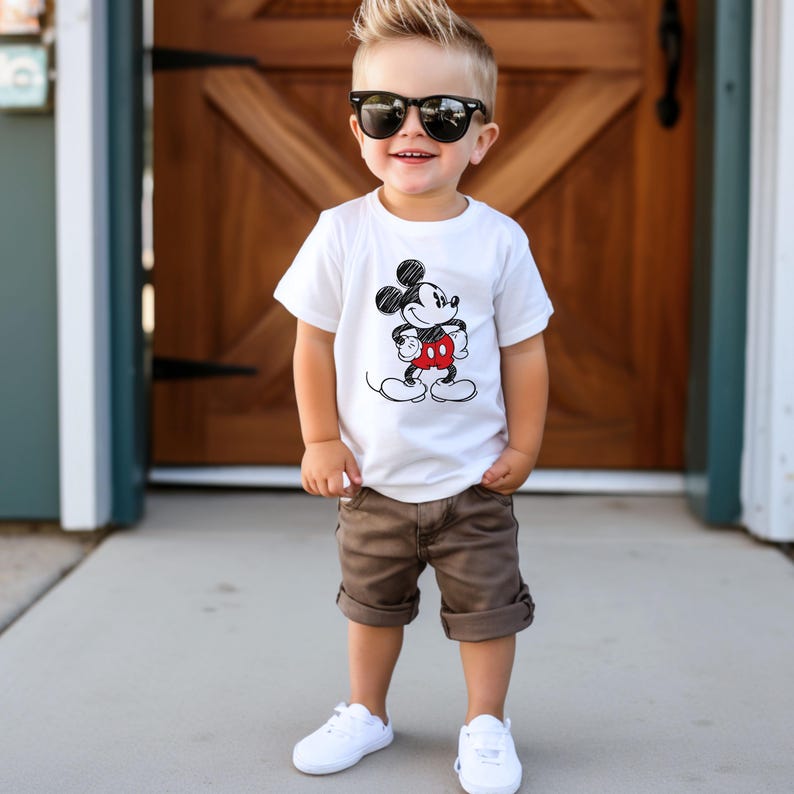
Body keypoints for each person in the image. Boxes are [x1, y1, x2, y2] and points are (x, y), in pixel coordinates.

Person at [273, 1, 553, 791]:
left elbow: (524, 350)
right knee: (370, 606)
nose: (412, 128)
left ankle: (486, 722)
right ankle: (367, 710)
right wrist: (320, 438)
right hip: (371, 479)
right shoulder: (342, 233)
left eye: (444, 114)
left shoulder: (499, 240)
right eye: (385, 110)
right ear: (358, 128)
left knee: (488, 609)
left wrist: (524, 445)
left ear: (481, 138)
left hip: (472, 481)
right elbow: (313, 341)